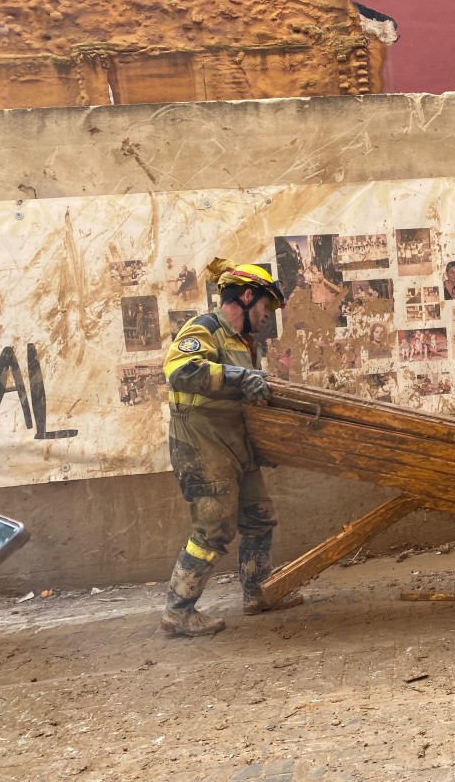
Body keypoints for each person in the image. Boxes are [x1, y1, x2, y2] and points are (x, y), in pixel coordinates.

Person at [160, 258, 303, 637]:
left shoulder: (243, 342)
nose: (267, 316)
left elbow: (243, 394)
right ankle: (179, 609)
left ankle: (257, 593)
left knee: (258, 517)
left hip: (235, 443)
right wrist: (240, 376)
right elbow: (181, 370)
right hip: (202, 442)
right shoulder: (206, 328)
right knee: (213, 528)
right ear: (245, 296)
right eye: (265, 306)